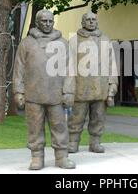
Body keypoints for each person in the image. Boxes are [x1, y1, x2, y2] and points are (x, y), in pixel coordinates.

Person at [13, 9, 76, 170]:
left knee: (59, 126)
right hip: (33, 94)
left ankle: (62, 157)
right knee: (34, 127)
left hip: (56, 95)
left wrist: (69, 91)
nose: (47, 24)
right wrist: (18, 91)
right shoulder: (26, 43)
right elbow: (19, 69)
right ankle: (36, 157)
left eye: (50, 21)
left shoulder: (63, 43)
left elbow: (70, 70)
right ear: (37, 22)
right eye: (44, 21)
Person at [68, 11, 118, 154]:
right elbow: (68, 66)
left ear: (97, 22)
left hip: (100, 88)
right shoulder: (73, 41)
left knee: (98, 118)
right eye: (88, 19)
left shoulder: (105, 40)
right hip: (80, 87)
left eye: (93, 19)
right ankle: (73, 142)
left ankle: (95, 142)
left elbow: (111, 65)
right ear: (82, 23)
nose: (91, 22)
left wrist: (112, 85)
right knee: (76, 118)